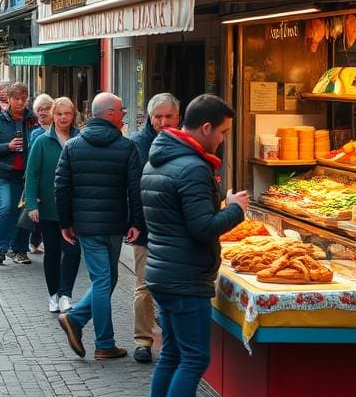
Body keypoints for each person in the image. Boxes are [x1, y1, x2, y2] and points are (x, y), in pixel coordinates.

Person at [143, 95, 247, 397]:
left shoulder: (158, 159)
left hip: (162, 270)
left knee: (172, 354)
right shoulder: (193, 167)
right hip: (185, 278)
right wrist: (235, 209)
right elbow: (203, 228)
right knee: (194, 358)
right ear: (206, 128)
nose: (223, 139)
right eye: (223, 132)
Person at [56, 92, 144, 361]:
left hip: (86, 226)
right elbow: (135, 189)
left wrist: (66, 223)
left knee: (107, 279)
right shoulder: (126, 147)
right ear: (110, 114)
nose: (124, 114)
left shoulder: (72, 146)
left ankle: (76, 319)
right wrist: (136, 222)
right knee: (105, 279)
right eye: (121, 110)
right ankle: (104, 343)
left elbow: (61, 187)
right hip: (114, 225)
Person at [130, 92, 181, 364]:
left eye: (168, 117)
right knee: (144, 286)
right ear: (150, 118)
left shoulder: (186, 142)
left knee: (174, 284)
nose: (163, 122)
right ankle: (143, 341)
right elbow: (133, 188)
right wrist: (135, 224)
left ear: (178, 117)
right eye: (158, 117)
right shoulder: (139, 144)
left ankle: (173, 338)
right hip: (147, 227)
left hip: (177, 228)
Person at [25, 97, 82, 314]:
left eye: (67, 113)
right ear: (53, 115)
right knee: (52, 252)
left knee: (73, 252)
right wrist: (32, 204)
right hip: (48, 207)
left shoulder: (80, 139)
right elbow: (32, 174)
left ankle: (66, 294)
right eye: (59, 114)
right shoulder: (41, 141)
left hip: (74, 209)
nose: (63, 118)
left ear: (73, 115)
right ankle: (53, 295)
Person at [0, 82, 38, 266]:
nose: (20, 102)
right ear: (8, 99)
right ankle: (0, 249)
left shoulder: (32, 120)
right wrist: (7, 146)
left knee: (25, 211)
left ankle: (19, 249)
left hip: (25, 174)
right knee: (6, 207)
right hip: (2, 173)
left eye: (23, 98)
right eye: (16, 98)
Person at [27, 93, 55, 254]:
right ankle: (35, 240)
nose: (42, 112)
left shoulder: (61, 130)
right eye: (39, 109)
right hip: (42, 181)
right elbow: (32, 163)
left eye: (46, 108)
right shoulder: (36, 134)